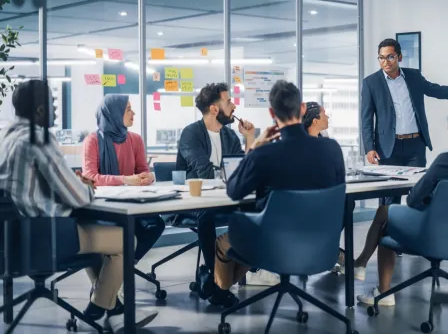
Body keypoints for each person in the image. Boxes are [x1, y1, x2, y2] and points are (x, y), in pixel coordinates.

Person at [0, 80, 157, 333]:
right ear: (39, 110)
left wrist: (75, 183)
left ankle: (113, 307)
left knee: (91, 227)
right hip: (43, 237)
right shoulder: (38, 138)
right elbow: (79, 197)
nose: (56, 110)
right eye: (52, 104)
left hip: (10, 241)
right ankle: (99, 308)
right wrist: (84, 185)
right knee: (126, 240)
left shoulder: (5, 137)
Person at [205, 80, 346, 308]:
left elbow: (234, 190)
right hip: (321, 244)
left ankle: (219, 294)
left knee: (225, 241)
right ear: (301, 109)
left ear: (272, 112)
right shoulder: (332, 149)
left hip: (274, 245)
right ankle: (216, 287)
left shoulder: (267, 154)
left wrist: (255, 148)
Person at [356, 103, 448, 306]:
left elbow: (413, 199)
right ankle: (361, 265)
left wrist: (429, 199)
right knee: (386, 214)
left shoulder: (446, 160)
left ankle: (380, 289)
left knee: (385, 220)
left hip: (432, 232)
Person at [176, 83, 277, 297]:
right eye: (229, 101)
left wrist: (249, 138)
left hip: (223, 198)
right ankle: (215, 277)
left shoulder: (229, 136)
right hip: (193, 202)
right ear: (214, 109)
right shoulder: (191, 133)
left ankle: (232, 275)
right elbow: (203, 171)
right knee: (206, 215)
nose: (234, 106)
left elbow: (244, 171)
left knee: (256, 207)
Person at [361, 38, 448, 205]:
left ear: (399, 57)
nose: (385, 62)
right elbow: (366, 118)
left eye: (390, 57)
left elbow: (439, 91)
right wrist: (369, 148)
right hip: (388, 148)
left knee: (419, 193)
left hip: (415, 145)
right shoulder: (371, 82)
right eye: (381, 58)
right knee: (389, 199)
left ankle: (415, 228)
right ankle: (387, 231)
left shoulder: (413, 76)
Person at [82, 94, 165, 263]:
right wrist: (125, 179)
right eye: (128, 109)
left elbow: (142, 170)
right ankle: (118, 270)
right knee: (120, 230)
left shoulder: (135, 140)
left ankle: (124, 265)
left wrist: (148, 177)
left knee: (156, 224)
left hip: (132, 203)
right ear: (114, 113)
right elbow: (89, 177)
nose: (133, 113)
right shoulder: (92, 141)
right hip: (104, 206)